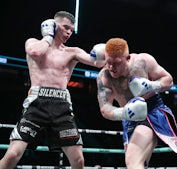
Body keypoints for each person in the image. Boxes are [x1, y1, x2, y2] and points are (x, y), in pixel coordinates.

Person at [0, 11, 106, 169]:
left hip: (62, 105)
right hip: (36, 103)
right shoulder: (33, 42)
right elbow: (36, 52)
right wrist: (48, 35)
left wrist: (105, 51)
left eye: (71, 29)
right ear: (53, 25)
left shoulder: (73, 52)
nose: (69, 32)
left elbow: (97, 63)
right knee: (13, 154)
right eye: (65, 27)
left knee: (79, 160)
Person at [96, 37, 177, 169]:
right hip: (128, 117)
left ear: (127, 58)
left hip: (152, 112)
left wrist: (151, 86)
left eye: (116, 63)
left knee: (133, 162)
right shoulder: (104, 77)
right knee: (137, 164)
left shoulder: (143, 61)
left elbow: (168, 80)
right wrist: (124, 112)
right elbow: (104, 108)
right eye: (108, 62)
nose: (111, 67)